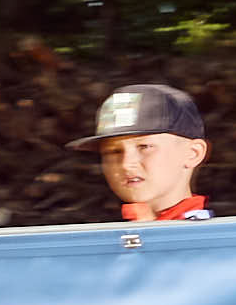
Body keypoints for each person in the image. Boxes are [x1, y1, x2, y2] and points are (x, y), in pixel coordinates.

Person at [73, 84, 215, 222]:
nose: (126, 164)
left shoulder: (217, 235)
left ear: (193, 153)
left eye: (144, 146)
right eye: (114, 151)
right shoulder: (95, 232)